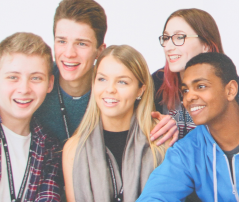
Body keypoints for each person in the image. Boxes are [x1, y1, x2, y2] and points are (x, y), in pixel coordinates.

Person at [34, 0, 176, 146]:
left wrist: (168, 126)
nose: (69, 53)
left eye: (81, 43)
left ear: (100, 51)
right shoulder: (36, 80)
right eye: (62, 41)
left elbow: (150, 123)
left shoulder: (117, 90)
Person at [137, 52, 239, 202]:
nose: (189, 97)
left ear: (230, 90)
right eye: (185, 90)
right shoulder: (187, 150)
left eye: (201, 86)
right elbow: (156, 195)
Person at [62, 45, 167, 202]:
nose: (110, 89)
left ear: (140, 90)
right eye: (102, 79)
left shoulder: (161, 144)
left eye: (122, 82)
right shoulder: (73, 149)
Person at [0, 32, 61, 201]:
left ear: (50, 84)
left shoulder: (49, 148)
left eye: (36, 78)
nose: (24, 88)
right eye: (13, 77)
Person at [153, 8, 225, 139]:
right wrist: (153, 124)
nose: (168, 47)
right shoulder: (157, 81)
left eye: (179, 37)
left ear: (206, 45)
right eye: (166, 38)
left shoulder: (234, 89)